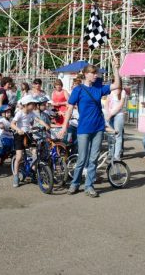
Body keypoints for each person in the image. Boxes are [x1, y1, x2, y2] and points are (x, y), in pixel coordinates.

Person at [59, 59, 121, 198]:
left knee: (93, 159)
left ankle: (89, 186)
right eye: (93, 73)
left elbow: (117, 85)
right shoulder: (78, 90)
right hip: (83, 128)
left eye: (96, 73)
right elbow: (69, 109)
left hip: (98, 127)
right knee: (82, 158)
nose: (96, 75)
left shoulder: (99, 87)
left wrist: (115, 68)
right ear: (86, 74)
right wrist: (64, 126)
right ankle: (75, 183)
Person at [10, 95, 49, 188]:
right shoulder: (19, 113)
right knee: (19, 157)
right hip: (19, 135)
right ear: (26, 105)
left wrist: (46, 125)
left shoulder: (31, 113)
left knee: (35, 152)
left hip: (28, 134)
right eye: (33, 104)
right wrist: (18, 129)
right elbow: (12, 124)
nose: (34, 106)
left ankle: (33, 169)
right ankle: (16, 176)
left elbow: (38, 120)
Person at [105, 80, 126, 161]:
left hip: (118, 116)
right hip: (110, 116)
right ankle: (111, 153)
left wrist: (110, 114)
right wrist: (108, 113)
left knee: (118, 135)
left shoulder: (122, 92)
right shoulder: (111, 91)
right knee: (111, 135)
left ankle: (117, 156)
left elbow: (120, 104)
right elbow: (107, 103)